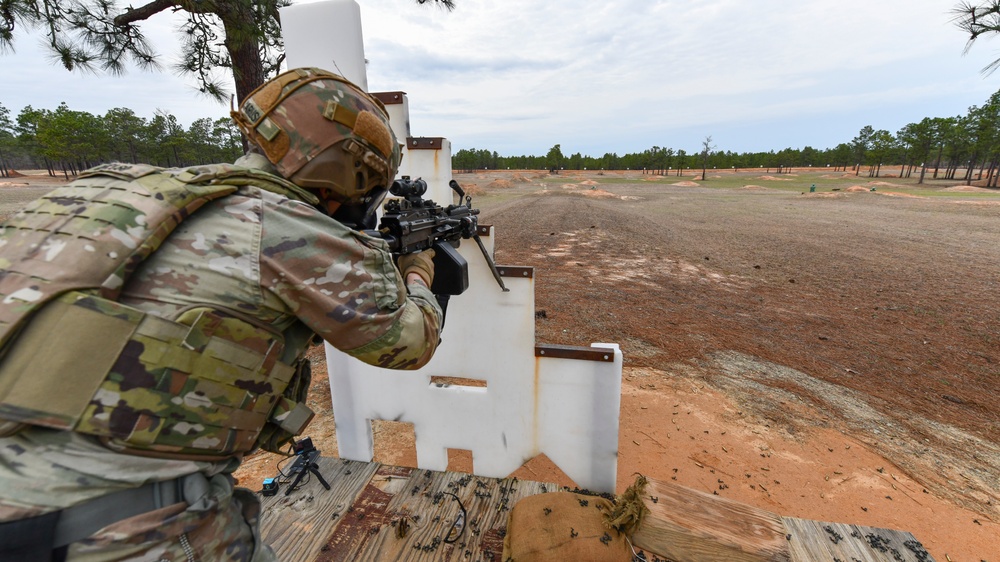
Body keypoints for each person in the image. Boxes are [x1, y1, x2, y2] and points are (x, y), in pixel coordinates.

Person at [0, 68, 442, 561]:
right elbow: (409, 343)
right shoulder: (288, 228)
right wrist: (418, 273)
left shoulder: (120, 191)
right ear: (349, 172)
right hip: (120, 529)